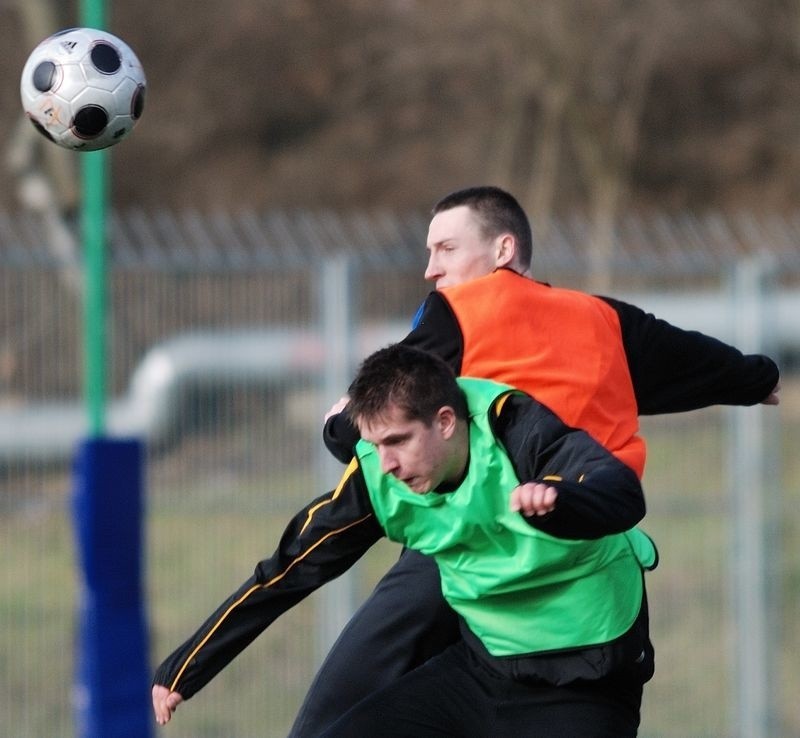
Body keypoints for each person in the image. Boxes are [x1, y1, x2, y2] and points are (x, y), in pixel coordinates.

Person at [291, 185, 781, 736]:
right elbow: (685, 357)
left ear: (503, 252)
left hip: (466, 556)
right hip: (585, 577)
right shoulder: (603, 319)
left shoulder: (456, 313)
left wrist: (337, 426)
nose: (431, 268)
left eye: (446, 250)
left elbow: (389, 421)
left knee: (338, 709)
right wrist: (758, 379)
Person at [152, 345, 658, 736]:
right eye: (376, 444)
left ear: (444, 422)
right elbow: (287, 571)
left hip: (585, 674)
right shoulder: (379, 478)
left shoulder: (520, 432)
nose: (387, 463)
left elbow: (620, 493)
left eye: (398, 442)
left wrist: (559, 500)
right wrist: (186, 666)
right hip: (485, 669)